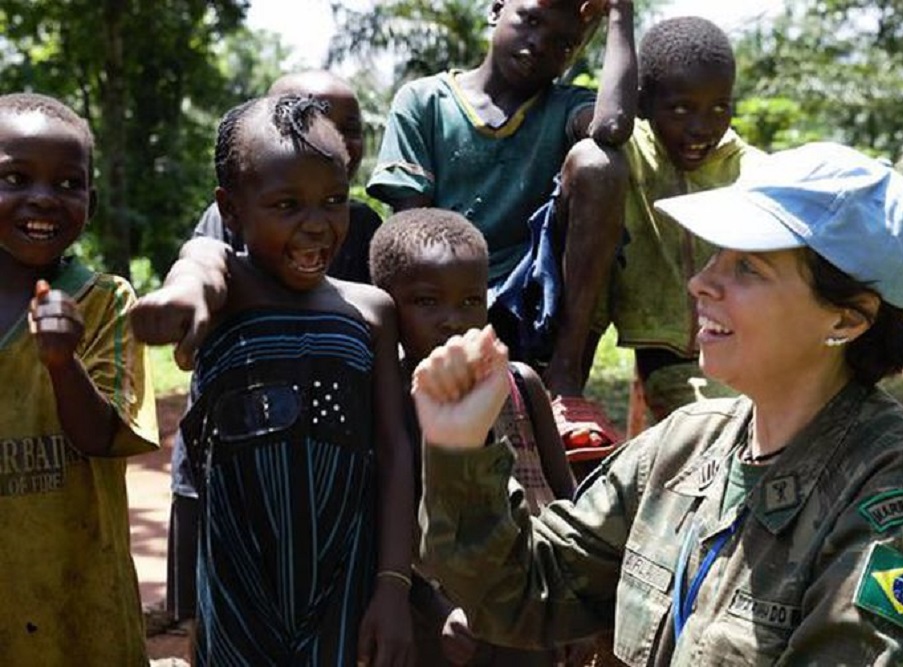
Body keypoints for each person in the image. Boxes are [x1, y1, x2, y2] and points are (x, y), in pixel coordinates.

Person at [410, 142, 903, 663]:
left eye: (749, 267)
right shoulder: (688, 444)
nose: (701, 283)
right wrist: (459, 447)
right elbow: (523, 593)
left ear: (846, 318)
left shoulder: (900, 498)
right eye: (716, 255)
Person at [130, 94, 413, 665]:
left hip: (346, 572)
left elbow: (393, 450)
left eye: (334, 201)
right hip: (239, 578)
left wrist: (392, 586)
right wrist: (177, 302)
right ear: (230, 210)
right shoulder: (227, 283)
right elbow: (196, 272)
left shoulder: (372, 311)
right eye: (287, 205)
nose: (317, 225)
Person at [367, 0, 637, 453]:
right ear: (495, 10)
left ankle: (565, 382)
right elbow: (410, 232)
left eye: (561, 42)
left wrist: (619, 13)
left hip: (533, 303)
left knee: (599, 162)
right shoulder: (425, 101)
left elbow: (611, 125)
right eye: (529, 21)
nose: (538, 45)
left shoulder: (565, 107)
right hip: (444, 293)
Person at [368, 207, 582, 665]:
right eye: (427, 302)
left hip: (528, 604)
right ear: (388, 305)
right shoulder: (389, 406)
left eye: (469, 301)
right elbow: (381, 526)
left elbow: (565, 497)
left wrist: (573, 603)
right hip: (444, 626)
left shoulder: (521, 385)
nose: (452, 319)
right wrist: (436, 608)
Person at [0, 92, 159, 663]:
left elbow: (100, 437)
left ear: (89, 201)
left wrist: (62, 363)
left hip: (85, 602)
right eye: (15, 177)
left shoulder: (104, 302)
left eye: (68, 184)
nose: (42, 198)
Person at [592, 16, 765, 447]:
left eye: (719, 108)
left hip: (741, 347)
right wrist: (617, 16)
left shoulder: (750, 170)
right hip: (662, 351)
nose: (701, 127)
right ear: (643, 104)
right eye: (681, 108)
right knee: (702, 441)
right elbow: (606, 121)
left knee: (738, 440)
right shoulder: (629, 152)